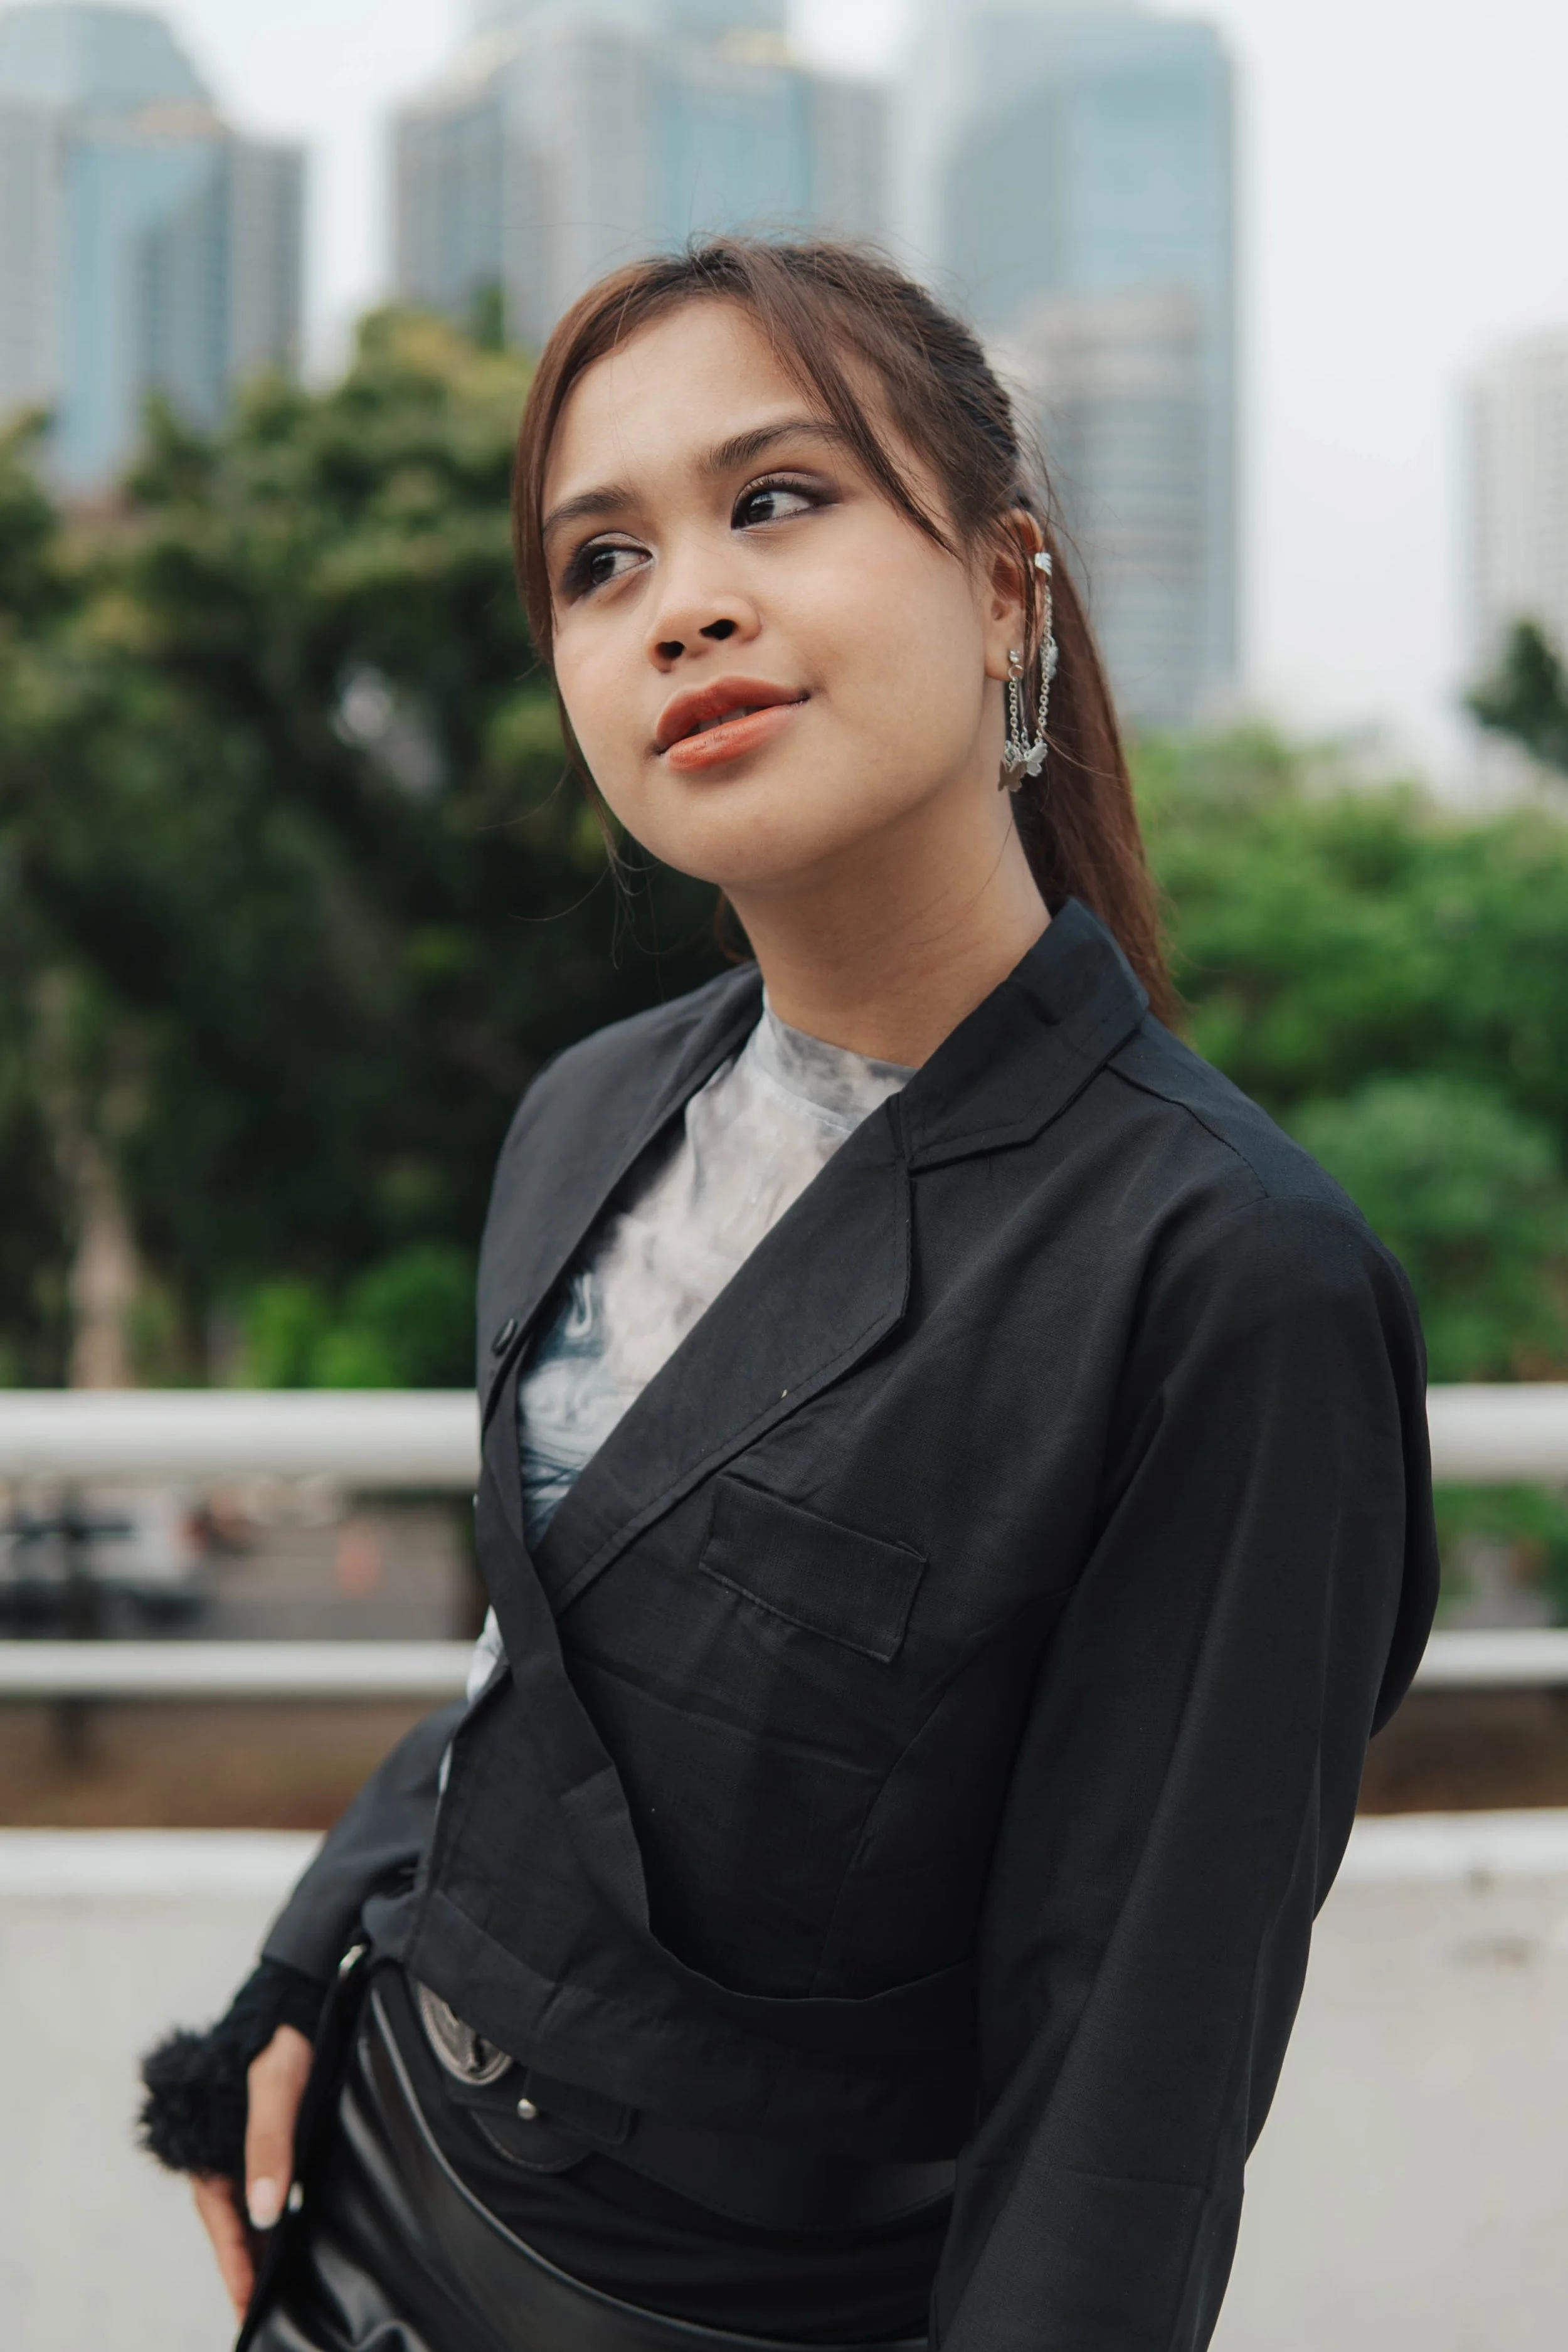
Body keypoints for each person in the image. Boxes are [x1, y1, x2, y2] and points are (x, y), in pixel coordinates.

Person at [140, 238, 1438, 2352]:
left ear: (1006, 585)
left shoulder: (1218, 1278)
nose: (686, 603)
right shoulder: (584, 1116)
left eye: (774, 499)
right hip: (370, 2209)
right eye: (597, 561)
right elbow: (534, 1667)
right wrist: (299, 1969)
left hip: (721, 2312)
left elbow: (1127, 2085)